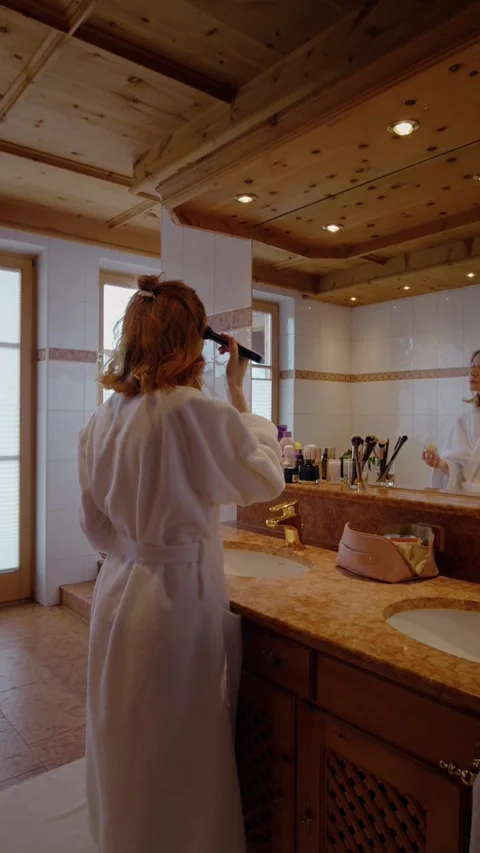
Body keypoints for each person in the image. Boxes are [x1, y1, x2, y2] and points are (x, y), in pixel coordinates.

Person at [78, 276, 284, 853]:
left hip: (117, 593)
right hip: (174, 605)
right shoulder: (194, 412)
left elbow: (94, 528)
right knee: (179, 744)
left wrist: (135, 545)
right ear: (193, 343)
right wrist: (239, 394)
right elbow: (265, 479)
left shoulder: (103, 421)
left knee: (124, 735)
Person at [423, 350, 480, 492]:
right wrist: (441, 464)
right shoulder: (464, 420)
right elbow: (461, 474)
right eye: (472, 365)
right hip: (467, 504)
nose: (473, 372)